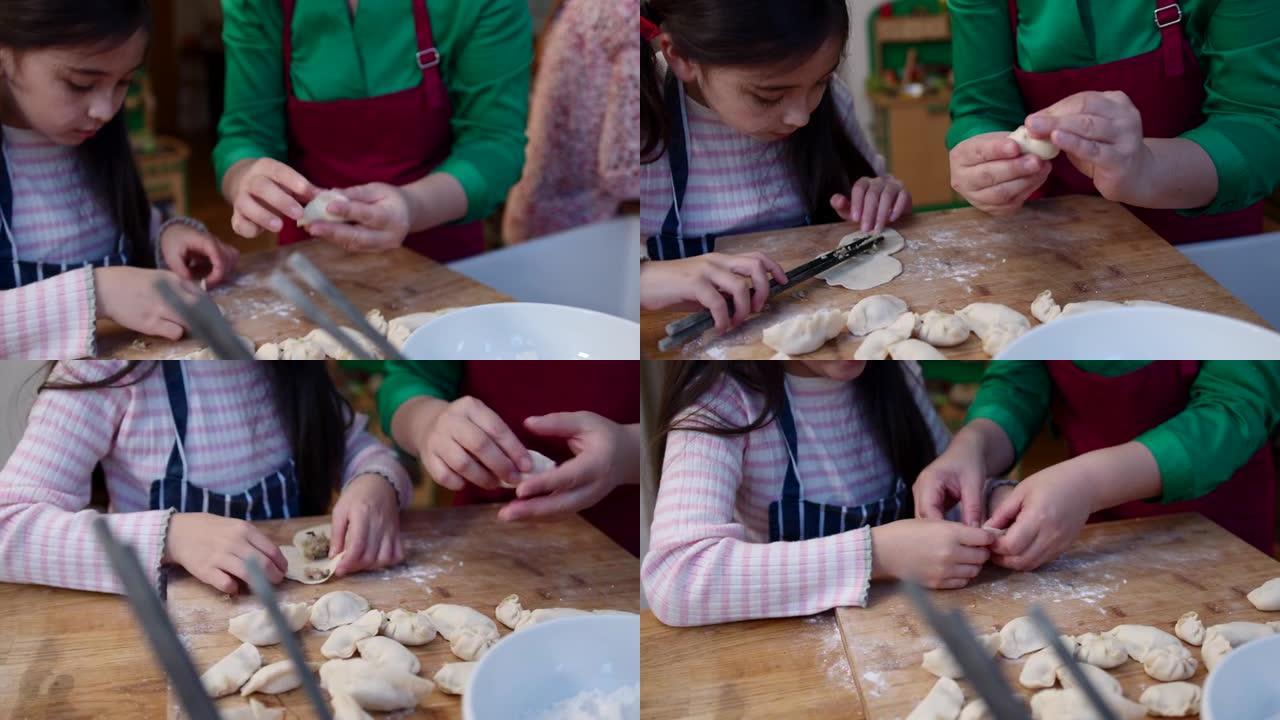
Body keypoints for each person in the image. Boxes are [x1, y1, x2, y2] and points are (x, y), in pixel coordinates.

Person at [0, 361, 412, 594]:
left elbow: (365, 451)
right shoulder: (103, 371)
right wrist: (171, 537)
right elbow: (7, 526)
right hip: (165, 646)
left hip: (303, 624)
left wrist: (377, 482)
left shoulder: (287, 362)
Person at [643, 361, 996, 627]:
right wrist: (879, 555)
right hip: (788, 659)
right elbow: (675, 577)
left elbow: (946, 507)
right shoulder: (723, 398)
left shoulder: (896, 371)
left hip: (903, 635)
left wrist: (995, 508)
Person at [639, 0, 912, 332]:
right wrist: (644, 278)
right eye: (768, 97)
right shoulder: (637, 125)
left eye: (820, 82)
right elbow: (569, 274)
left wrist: (882, 195)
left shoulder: (832, 102)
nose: (801, 116)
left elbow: (875, 185)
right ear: (680, 56)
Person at [0, 0, 239, 359]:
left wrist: (168, 237)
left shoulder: (97, 145)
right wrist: (99, 294)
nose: (106, 110)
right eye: (80, 84)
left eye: (124, 82)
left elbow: (133, 230)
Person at [215, 0, 532, 262]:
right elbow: (245, 133)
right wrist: (244, 178)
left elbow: (493, 145)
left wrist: (412, 206)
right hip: (309, 263)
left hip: (443, 262)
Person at [946, 0, 1280, 243]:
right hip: (1049, 250)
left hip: (1206, 252)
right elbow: (981, 107)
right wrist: (984, 158)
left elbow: (1258, 126)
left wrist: (1148, 170)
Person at [915, 361, 1280, 569]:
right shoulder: (1047, 261)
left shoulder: (1216, 270)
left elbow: (1235, 409)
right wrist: (974, 443)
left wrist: (1091, 482)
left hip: (1218, 524)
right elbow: (1018, 381)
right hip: (1086, 521)